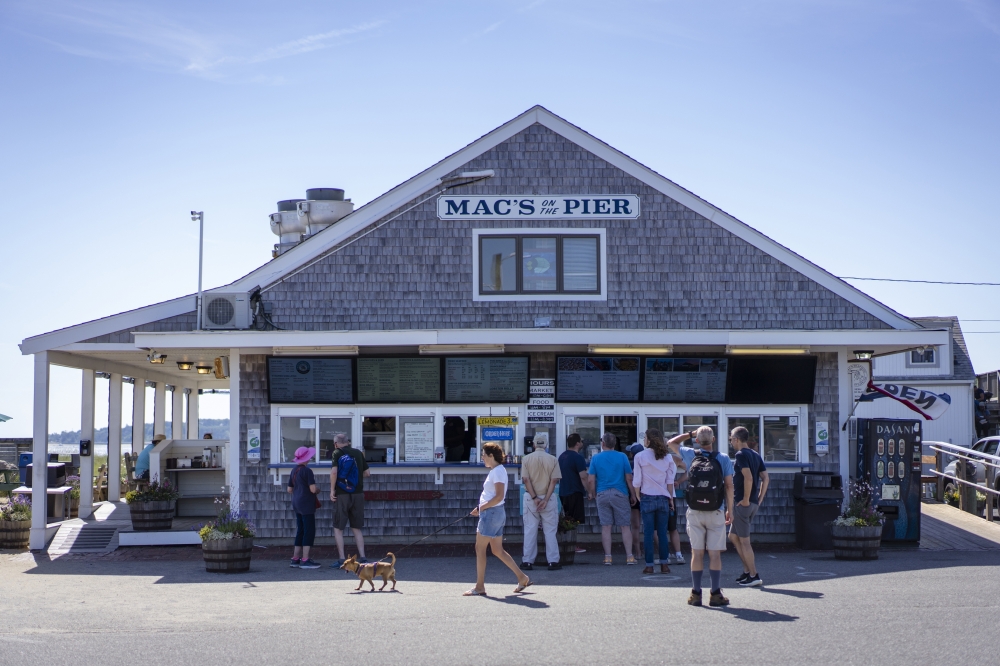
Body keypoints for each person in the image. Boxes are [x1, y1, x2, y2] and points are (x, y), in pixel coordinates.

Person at [667, 426, 734, 607]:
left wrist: (690, 434)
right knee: (714, 554)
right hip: (716, 510)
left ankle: (696, 593)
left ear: (697, 440)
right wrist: (730, 510)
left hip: (695, 511)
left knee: (697, 553)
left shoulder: (690, 454)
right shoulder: (723, 458)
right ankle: (715, 593)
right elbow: (728, 486)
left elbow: (671, 443)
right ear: (713, 440)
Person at [464, 442, 532, 596]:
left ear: (491, 456)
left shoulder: (497, 472)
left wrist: (482, 507)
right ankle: (522, 577)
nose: (482, 457)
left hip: (491, 513)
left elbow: (499, 496)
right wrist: (481, 507)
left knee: (480, 548)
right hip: (495, 512)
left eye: (483, 455)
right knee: (497, 550)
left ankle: (480, 586)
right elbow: (495, 497)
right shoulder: (497, 471)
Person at [588, 432, 637, 565]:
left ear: (603, 443)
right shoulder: (622, 457)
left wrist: (592, 493)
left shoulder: (596, 458)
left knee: (606, 527)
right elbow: (629, 478)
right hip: (620, 493)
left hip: (602, 493)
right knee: (625, 526)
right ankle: (629, 557)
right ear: (614, 444)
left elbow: (591, 480)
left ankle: (608, 557)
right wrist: (633, 494)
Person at [728, 426, 769, 587]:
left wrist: (745, 499)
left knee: (745, 542)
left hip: (743, 505)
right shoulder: (755, 455)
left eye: (731, 439)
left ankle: (754, 575)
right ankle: (747, 572)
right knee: (732, 536)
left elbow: (749, 478)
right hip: (752, 504)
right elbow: (766, 478)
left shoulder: (740, 455)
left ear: (737, 439)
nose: (731, 442)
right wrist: (758, 499)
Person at [632, 428, 676, 574]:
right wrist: (671, 499)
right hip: (663, 498)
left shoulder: (640, 456)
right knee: (663, 533)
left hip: (647, 497)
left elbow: (637, 480)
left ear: (649, 440)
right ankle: (664, 564)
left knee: (648, 533)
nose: (644, 440)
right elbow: (670, 481)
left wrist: (638, 496)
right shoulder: (667, 457)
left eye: (645, 438)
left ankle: (649, 565)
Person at [521, 434, 563, 571]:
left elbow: (526, 480)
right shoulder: (553, 459)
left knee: (530, 530)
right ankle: (553, 561)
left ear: (533, 445)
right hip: (548, 498)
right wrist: (545, 499)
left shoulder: (526, 459)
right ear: (546, 445)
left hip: (531, 498)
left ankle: (527, 561)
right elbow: (554, 480)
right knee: (550, 531)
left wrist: (534, 498)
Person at [330, 433, 371, 568]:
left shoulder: (337, 453)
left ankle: (342, 559)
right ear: (348, 442)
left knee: (338, 528)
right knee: (356, 527)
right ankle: (363, 557)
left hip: (342, 494)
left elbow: (334, 472)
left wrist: (332, 490)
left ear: (336, 444)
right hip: (358, 494)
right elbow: (367, 473)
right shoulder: (358, 453)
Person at [287, 446, 321, 569]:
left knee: (300, 529)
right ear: (308, 458)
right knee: (309, 530)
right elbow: (312, 489)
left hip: (296, 502)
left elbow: (289, 489)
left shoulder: (294, 470)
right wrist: (318, 490)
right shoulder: (307, 471)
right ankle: (305, 559)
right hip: (306, 503)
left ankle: (295, 558)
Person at [558, 433, 589, 553]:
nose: (582, 443)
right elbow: (583, 477)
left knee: (568, 519)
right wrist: (589, 491)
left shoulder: (562, 456)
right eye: (581, 441)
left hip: (563, 491)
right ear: (577, 443)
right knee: (574, 520)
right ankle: (572, 544)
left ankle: (567, 543)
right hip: (574, 491)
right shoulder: (578, 457)